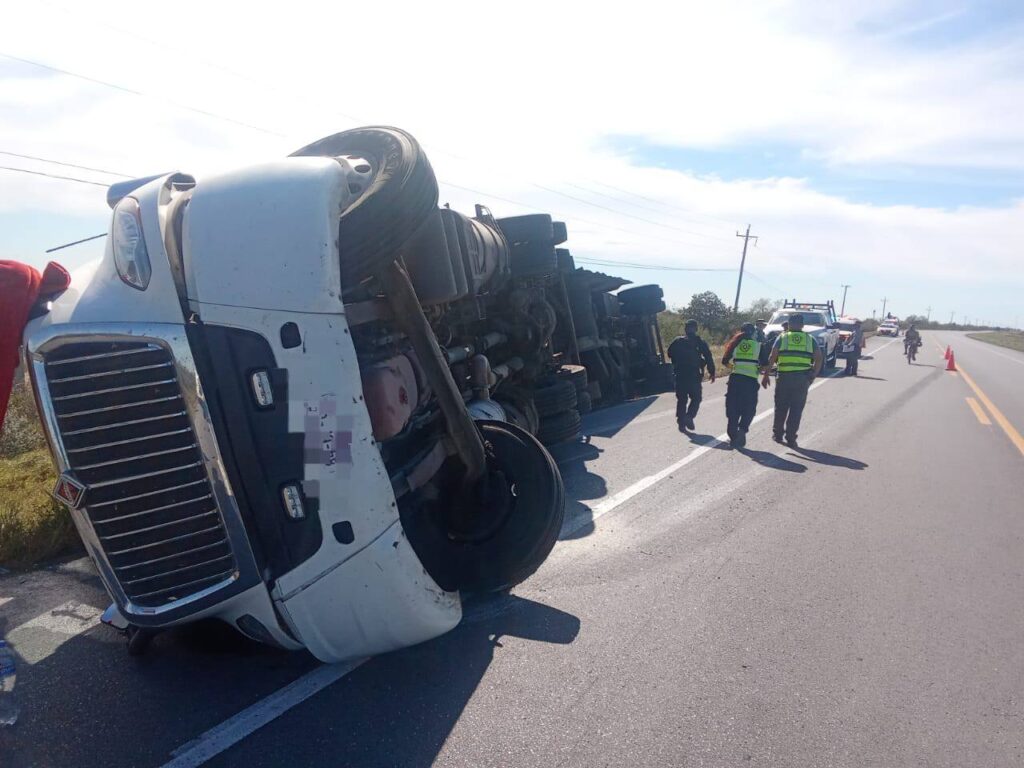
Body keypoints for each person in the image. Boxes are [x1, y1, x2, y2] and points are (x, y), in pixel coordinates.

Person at [762, 313, 823, 449]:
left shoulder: (782, 337)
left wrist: (766, 375)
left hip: (784, 377)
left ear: (789, 324)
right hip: (802, 379)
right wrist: (813, 374)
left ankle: (778, 434)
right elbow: (819, 358)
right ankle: (791, 438)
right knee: (796, 409)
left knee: (781, 407)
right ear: (802, 325)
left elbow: (773, 356)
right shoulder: (810, 339)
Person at [722, 322, 769, 448]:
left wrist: (735, 367)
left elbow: (724, 361)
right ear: (753, 333)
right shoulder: (759, 346)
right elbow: (765, 365)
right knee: (749, 408)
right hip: (750, 381)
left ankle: (732, 432)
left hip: (735, 380)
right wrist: (758, 370)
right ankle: (742, 430)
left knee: (733, 406)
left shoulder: (734, 344)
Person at [668, 319, 716, 432]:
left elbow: (669, 353)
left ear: (685, 329)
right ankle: (689, 417)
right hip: (693, 375)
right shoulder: (700, 342)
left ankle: (681, 422)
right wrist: (712, 372)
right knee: (696, 398)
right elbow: (708, 357)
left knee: (682, 399)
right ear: (696, 329)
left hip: (679, 374)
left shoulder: (677, 341)